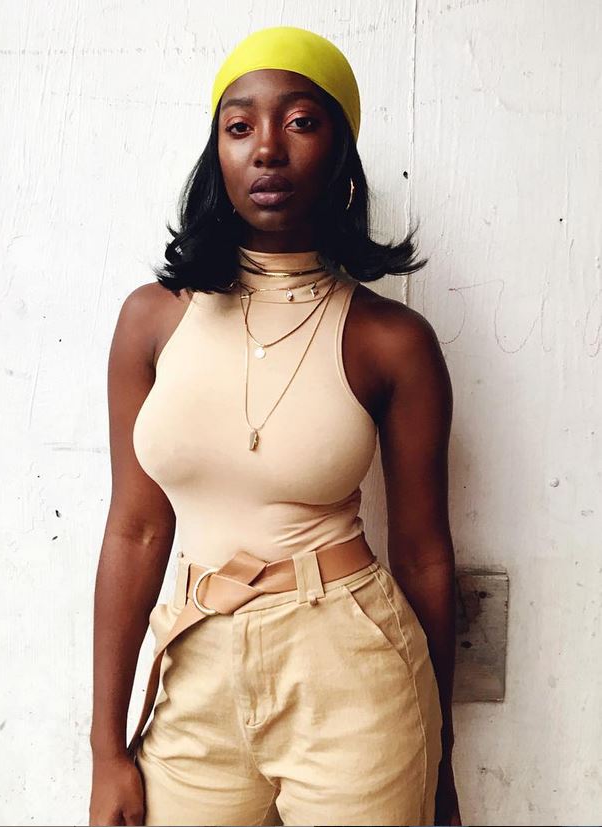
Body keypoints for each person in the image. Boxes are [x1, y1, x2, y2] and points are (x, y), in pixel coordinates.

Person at [89, 25, 461, 827]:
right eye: (239, 125)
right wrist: (105, 748)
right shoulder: (151, 321)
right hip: (194, 668)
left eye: (300, 121)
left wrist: (441, 751)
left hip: (352, 677)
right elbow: (135, 530)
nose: (266, 148)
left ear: (341, 156)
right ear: (216, 156)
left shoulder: (388, 339)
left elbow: (424, 551)